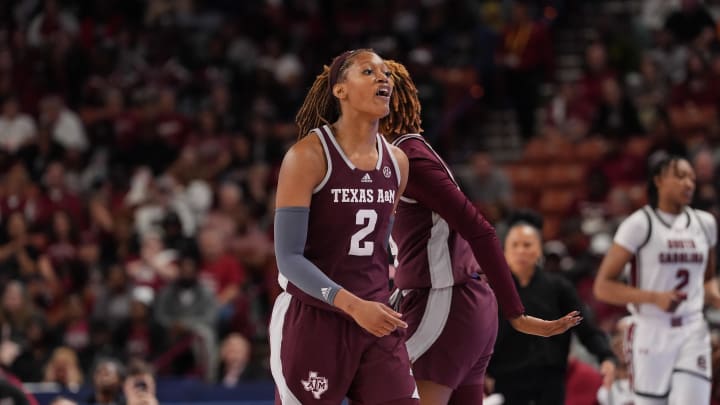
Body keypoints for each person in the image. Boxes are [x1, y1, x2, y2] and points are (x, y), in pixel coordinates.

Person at [380, 60, 581, 405]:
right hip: (455, 303)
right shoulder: (397, 154)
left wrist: (515, 313)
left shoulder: (411, 158)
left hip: (444, 302)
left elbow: (481, 230)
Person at [269, 49, 419, 404]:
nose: (384, 79)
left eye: (386, 74)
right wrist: (352, 305)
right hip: (316, 320)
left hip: (377, 318)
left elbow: (381, 247)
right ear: (340, 90)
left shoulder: (397, 162)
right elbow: (288, 258)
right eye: (369, 72)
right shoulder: (307, 156)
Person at [594, 154, 720, 405]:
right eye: (681, 176)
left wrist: (717, 298)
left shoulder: (705, 223)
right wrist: (653, 298)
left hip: (693, 329)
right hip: (651, 330)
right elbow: (603, 287)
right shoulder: (640, 224)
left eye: (692, 178)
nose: (689, 184)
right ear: (659, 180)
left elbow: (706, 282)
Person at [488, 214, 616, 405]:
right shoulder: (491, 291)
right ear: (504, 250)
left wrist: (605, 356)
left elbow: (587, 331)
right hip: (505, 381)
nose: (521, 251)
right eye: (515, 245)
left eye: (527, 245)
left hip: (550, 381)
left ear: (539, 249)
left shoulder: (559, 288)